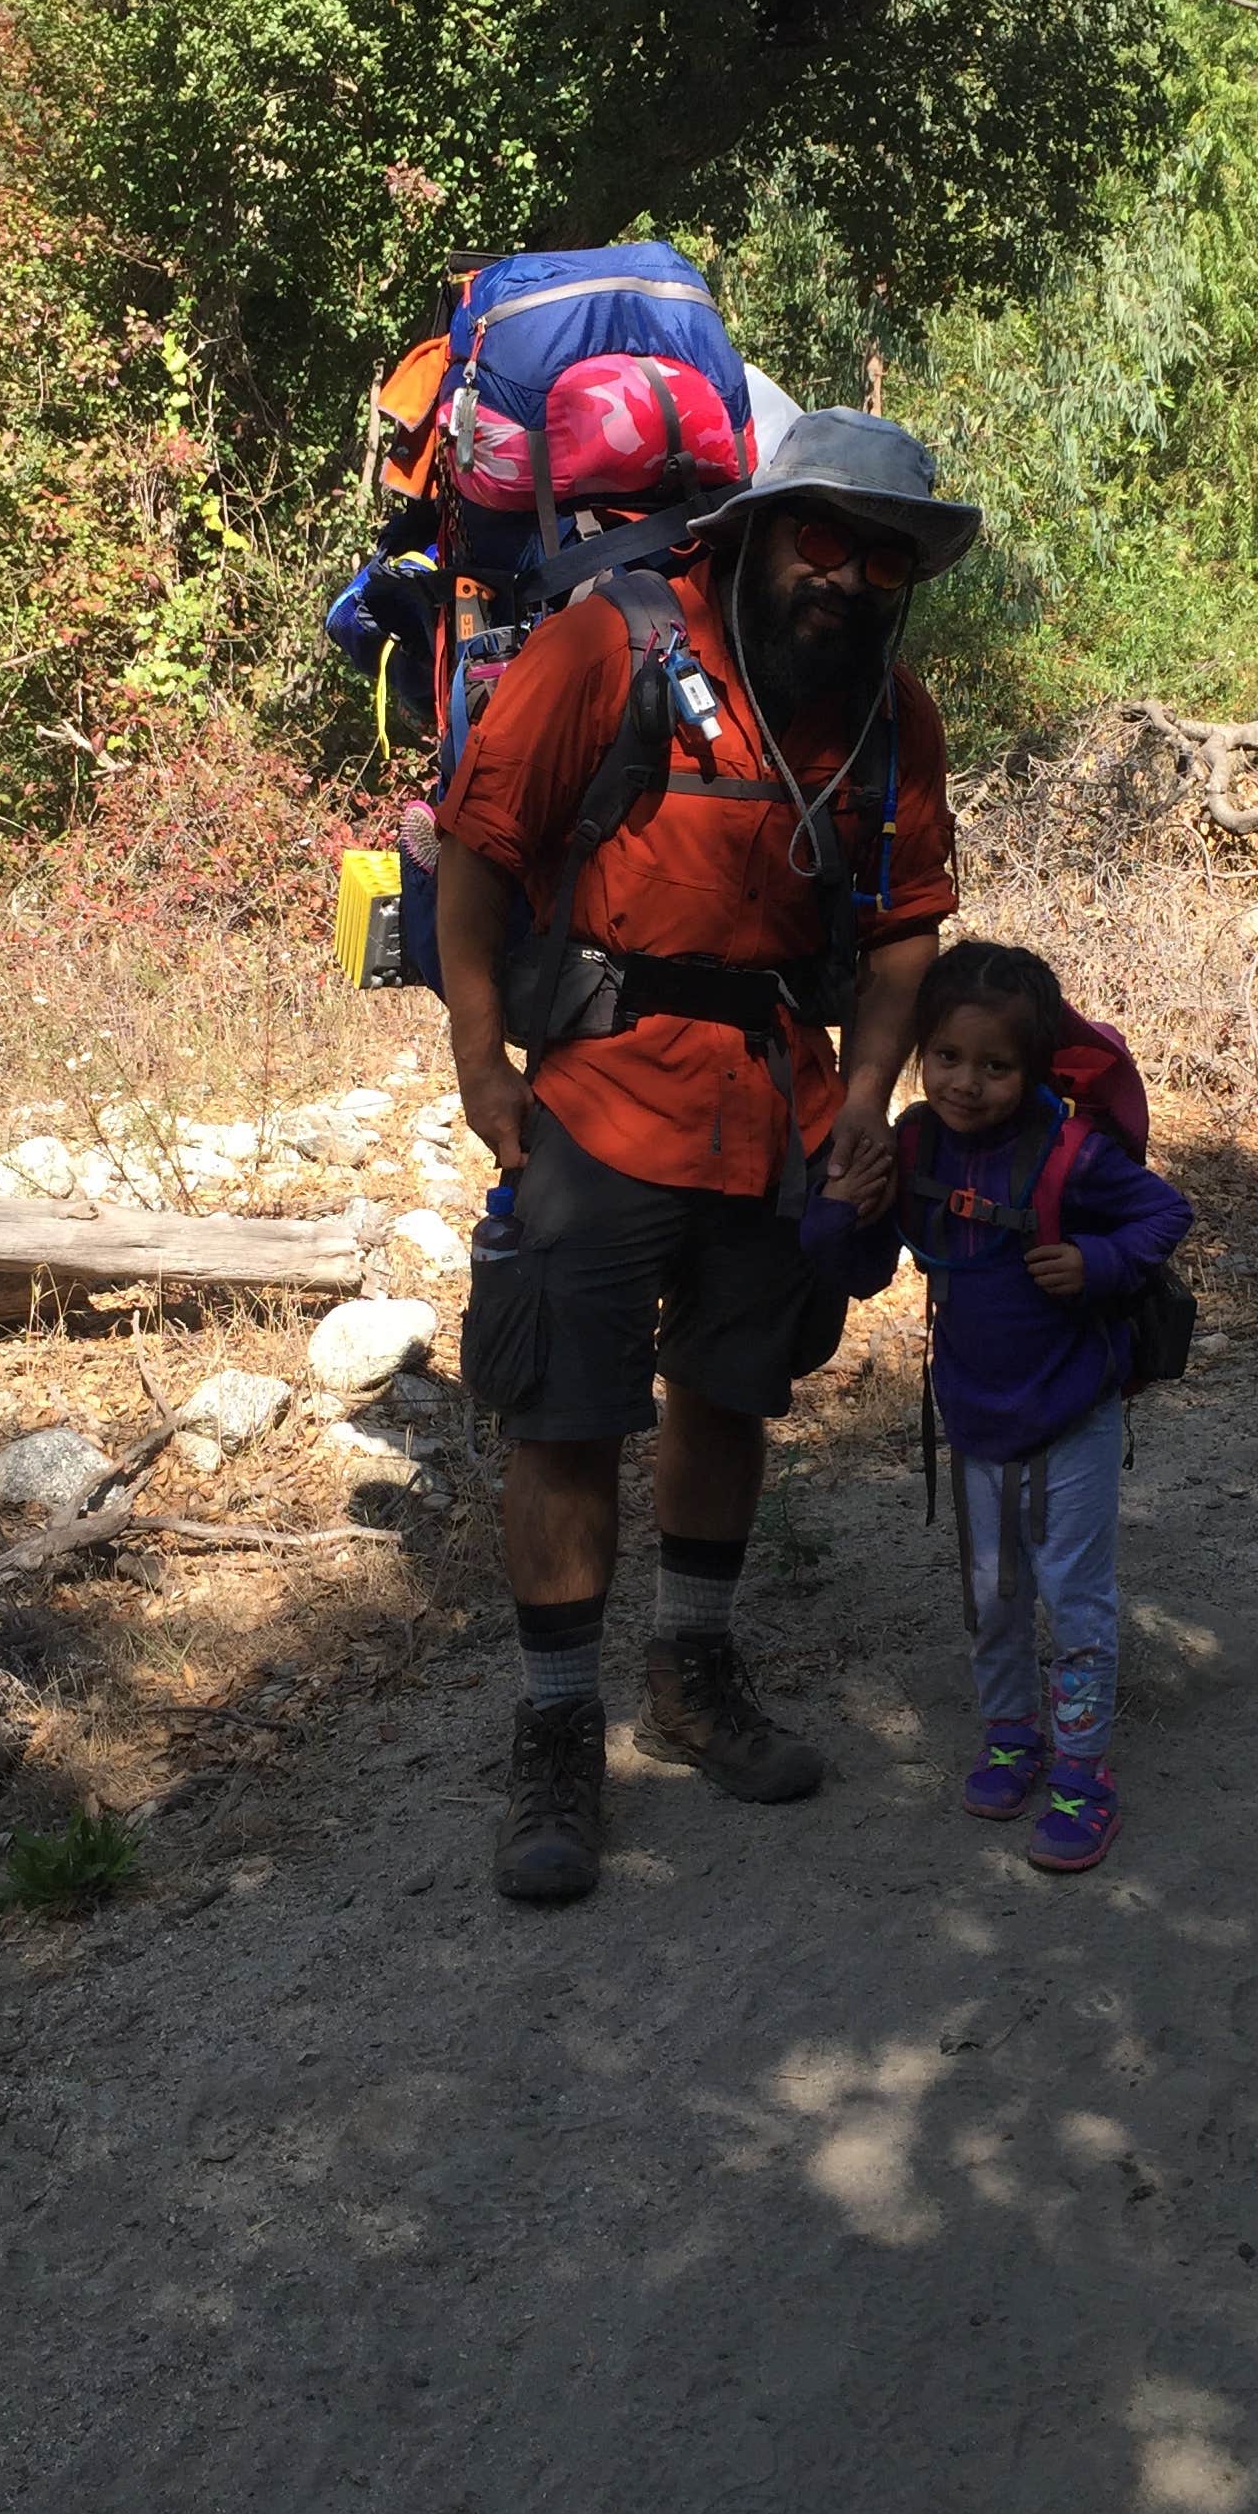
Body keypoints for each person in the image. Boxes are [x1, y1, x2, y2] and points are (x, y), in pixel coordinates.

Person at [434, 407, 979, 1906]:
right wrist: (483, 1064)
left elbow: (900, 930)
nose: (851, 580)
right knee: (562, 1409)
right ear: (757, 523)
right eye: (828, 539)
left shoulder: (890, 717)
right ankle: (555, 1738)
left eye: (886, 560)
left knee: (733, 1388)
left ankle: (692, 1670)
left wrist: (868, 1094)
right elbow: (479, 852)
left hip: (777, 1111)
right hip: (600, 1102)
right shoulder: (609, 649)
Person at [799, 941, 1192, 1873]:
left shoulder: (1070, 1156)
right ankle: (1013, 1739)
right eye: (946, 1059)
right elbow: (859, 1271)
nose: (966, 1084)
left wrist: (1097, 1264)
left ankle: (1084, 1777)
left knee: (1076, 1598)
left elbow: (1163, 1213)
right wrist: (835, 1210)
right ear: (919, 1052)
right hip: (975, 1423)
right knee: (993, 1599)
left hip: (1072, 1418)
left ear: (1035, 1068)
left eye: (996, 1066)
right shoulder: (913, 1148)